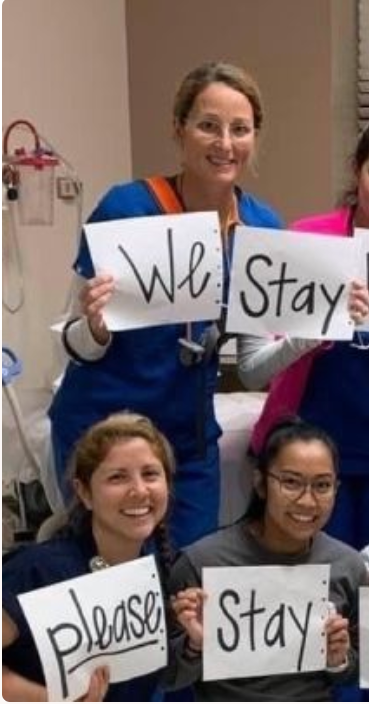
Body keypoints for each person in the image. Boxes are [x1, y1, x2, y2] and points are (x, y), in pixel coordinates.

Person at [48, 61, 282, 548]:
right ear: (179, 130)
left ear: (255, 136)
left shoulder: (263, 229)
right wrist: (95, 328)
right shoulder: (126, 209)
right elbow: (73, 341)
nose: (225, 143)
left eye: (240, 129)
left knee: (187, 578)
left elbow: (257, 370)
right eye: (208, 126)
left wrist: (312, 332)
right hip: (102, 432)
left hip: (188, 440)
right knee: (106, 579)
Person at [240, 116, 369, 551]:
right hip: (307, 446)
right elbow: (254, 370)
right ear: (356, 170)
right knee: (316, 582)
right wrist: (323, 322)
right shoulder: (307, 238)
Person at [165, 418, 367, 701]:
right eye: (291, 482)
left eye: (322, 485)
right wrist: (194, 646)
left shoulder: (348, 566)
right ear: (261, 483)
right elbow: (166, 678)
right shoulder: (201, 563)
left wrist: (338, 658)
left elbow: (357, 670)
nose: (307, 501)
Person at [3, 412, 175, 702]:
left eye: (150, 474)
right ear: (84, 493)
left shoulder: (166, 570)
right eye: (117, 477)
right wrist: (52, 699)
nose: (139, 490)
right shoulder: (37, 573)